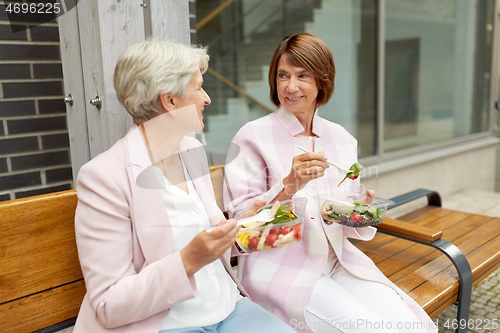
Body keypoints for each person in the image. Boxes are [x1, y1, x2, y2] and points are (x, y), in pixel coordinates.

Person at [73, 39, 297, 333]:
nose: (207, 99)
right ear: (170, 101)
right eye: (198, 87)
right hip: (165, 323)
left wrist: (244, 224)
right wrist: (188, 260)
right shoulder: (104, 177)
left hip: (228, 309)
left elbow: (213, 238)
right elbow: (109, 304)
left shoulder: (191, 151)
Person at [223, 33, 437, 333]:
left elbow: (342, 214)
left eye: (302, 76)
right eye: (282, 75)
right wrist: (289, 186)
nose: (290, 86)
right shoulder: (252, 137)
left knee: (414, 327)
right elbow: (241, 234)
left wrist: (357, 211)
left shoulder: (341, 139)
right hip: (282, 271)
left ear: (322, 80)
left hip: (339, 262)